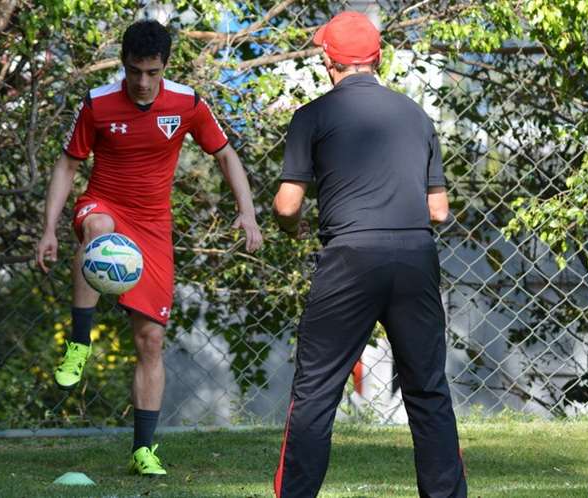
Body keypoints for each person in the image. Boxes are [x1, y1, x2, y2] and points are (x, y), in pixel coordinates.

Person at [36, 19, 262, 476]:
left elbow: (224, 153)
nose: (142, 82)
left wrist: (248, 211)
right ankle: (79, 342)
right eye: (134, 71)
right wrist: (49, 229)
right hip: (106, 203)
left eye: (151, 72)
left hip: (153, 225)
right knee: (98, 229)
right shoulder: (98, 104)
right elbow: (68, 164)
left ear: (165, 67)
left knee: (151, 340)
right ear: (123, 65)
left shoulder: (186, 103)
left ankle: (143, 450)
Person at [271, 11, 467, 498]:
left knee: (316, 391)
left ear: (326, 60)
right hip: (415, 256)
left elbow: (287, 204)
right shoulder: (415, 115)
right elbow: (439, 210)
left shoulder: (311, 116)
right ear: (378, 59)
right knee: (427, 390)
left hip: (350, 259)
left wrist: (290, 229)